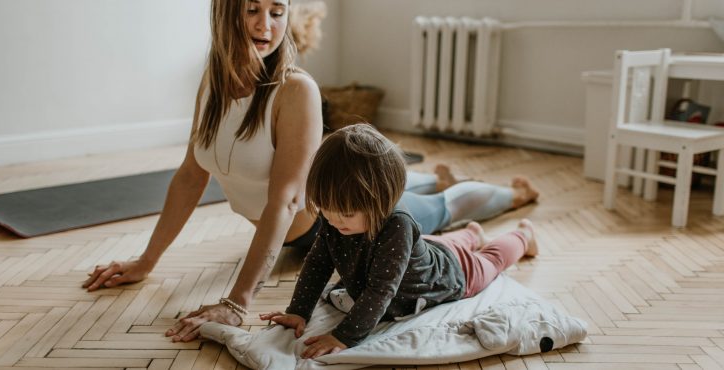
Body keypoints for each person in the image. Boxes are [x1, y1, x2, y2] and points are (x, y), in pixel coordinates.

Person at [81, 0, 538, 343]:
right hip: (327, 210)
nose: (266, 24)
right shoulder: (213, 83)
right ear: (224, 13)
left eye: (277, 11)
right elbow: (189, 176)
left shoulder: (295, 90)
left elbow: (284, 201)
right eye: (252, 10)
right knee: (423, 200)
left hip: (339, 223)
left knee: (437, 210)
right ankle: (434, 178)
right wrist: (146, 262)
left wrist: (237, 302)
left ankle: (511, 197)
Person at [260, 124, 537, 358]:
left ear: (381, 201)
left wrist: (344, 336)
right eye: (326, 210)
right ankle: (473, 233)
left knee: (491, 259)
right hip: (426, 249)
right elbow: (318, 263)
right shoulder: (336, 219)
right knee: (442, 244)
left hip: (451, 273)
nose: (333, 221)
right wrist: (298, 311)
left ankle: (523, 236)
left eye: (345, 214)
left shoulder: (397, 225)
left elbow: (381, 291)